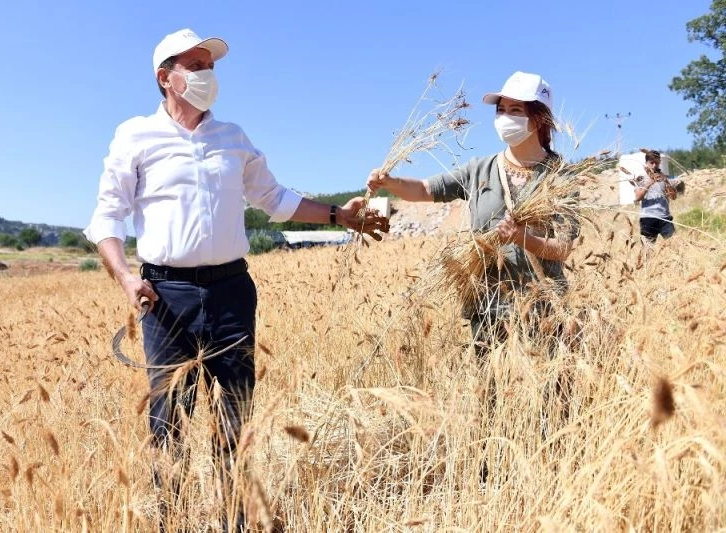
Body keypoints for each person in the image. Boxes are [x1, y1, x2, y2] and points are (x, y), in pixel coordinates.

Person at [83, 27, 388, 531]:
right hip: (165, 298)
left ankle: (235, 522)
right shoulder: (135, 136)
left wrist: (340, 216)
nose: (208, 74)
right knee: (168, 422)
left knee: (235, 419)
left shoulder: (233, 138)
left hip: (231, 292)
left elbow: (275, 199)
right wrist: (124, 277)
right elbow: (106, 217)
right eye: (196, 65)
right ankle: (174, 523)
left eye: (211, 65)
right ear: (165, 78)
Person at [366, 71, 578, 482]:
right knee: (490, 397)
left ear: (538, 117)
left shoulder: (561, 177)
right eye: (501, 110)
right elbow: (425, 189)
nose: (504, 118)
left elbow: (563, 248)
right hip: (487, 304)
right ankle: (490, 477)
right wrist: (389, 182)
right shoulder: (481, 170)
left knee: (548, 398)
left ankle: (548, 477)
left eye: (515, 110)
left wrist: (523, 238)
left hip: (543, 307)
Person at [634, 149, 679, 243]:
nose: (654, 165)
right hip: (648, 218)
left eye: (657, 163)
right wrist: (649, 183)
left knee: (675, 245)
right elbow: (638, 198)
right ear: (646, 163)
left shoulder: (664, 177)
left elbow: (673, 197)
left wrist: (666, 182)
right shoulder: (640, 178)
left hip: (665, 218)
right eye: (651, 163)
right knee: (648, 249)